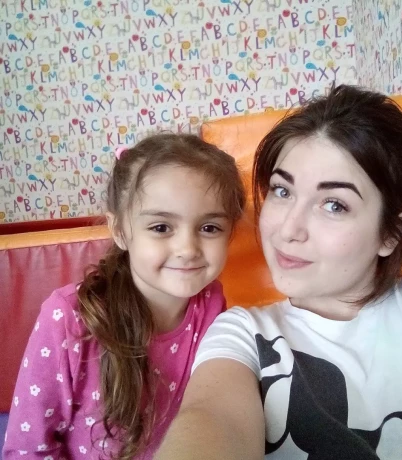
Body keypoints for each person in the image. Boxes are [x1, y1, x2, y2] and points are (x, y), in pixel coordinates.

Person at [156, 85, 402, 460]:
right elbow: (211, 421)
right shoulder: (244, 334)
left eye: (334, 205)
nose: (288, 230)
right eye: (282, 191)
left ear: (390, 234)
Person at [2, 133, 246, 459]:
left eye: (209, 228)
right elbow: (27, 448)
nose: (188, 249)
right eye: (161, 227)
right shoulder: (69, 316)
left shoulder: (212, 304)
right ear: (119, 231)